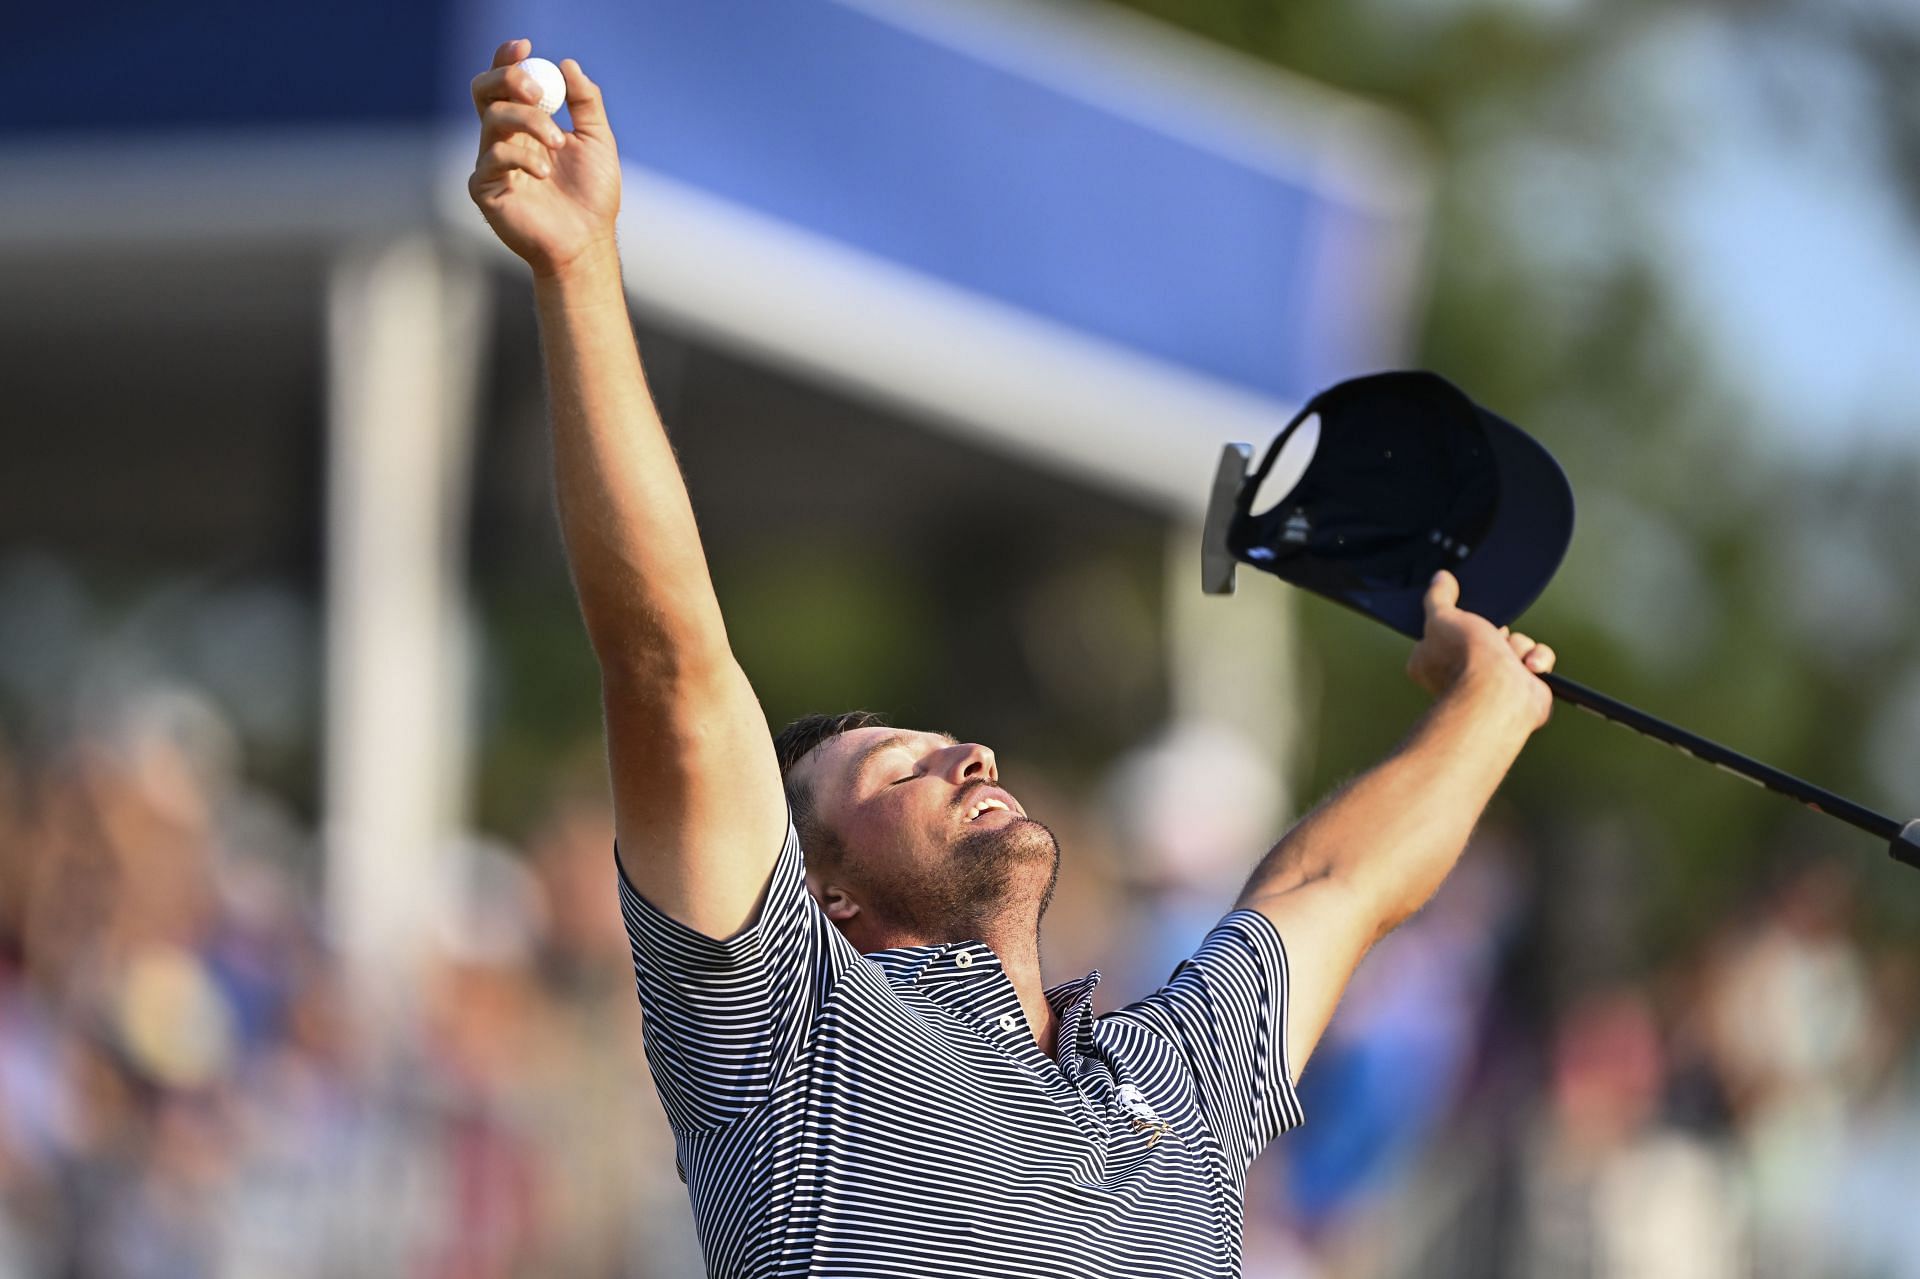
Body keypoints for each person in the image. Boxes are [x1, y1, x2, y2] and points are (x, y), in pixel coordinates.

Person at [467, 39, 1559, 1278]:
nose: (965, 751)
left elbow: (1336, 888)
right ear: (824, 896)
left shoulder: (1171, 1078)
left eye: (939, 745)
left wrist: (1485, 713)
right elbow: (668, 667)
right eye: (895, 771)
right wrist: (580, 266)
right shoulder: (790, 1027)